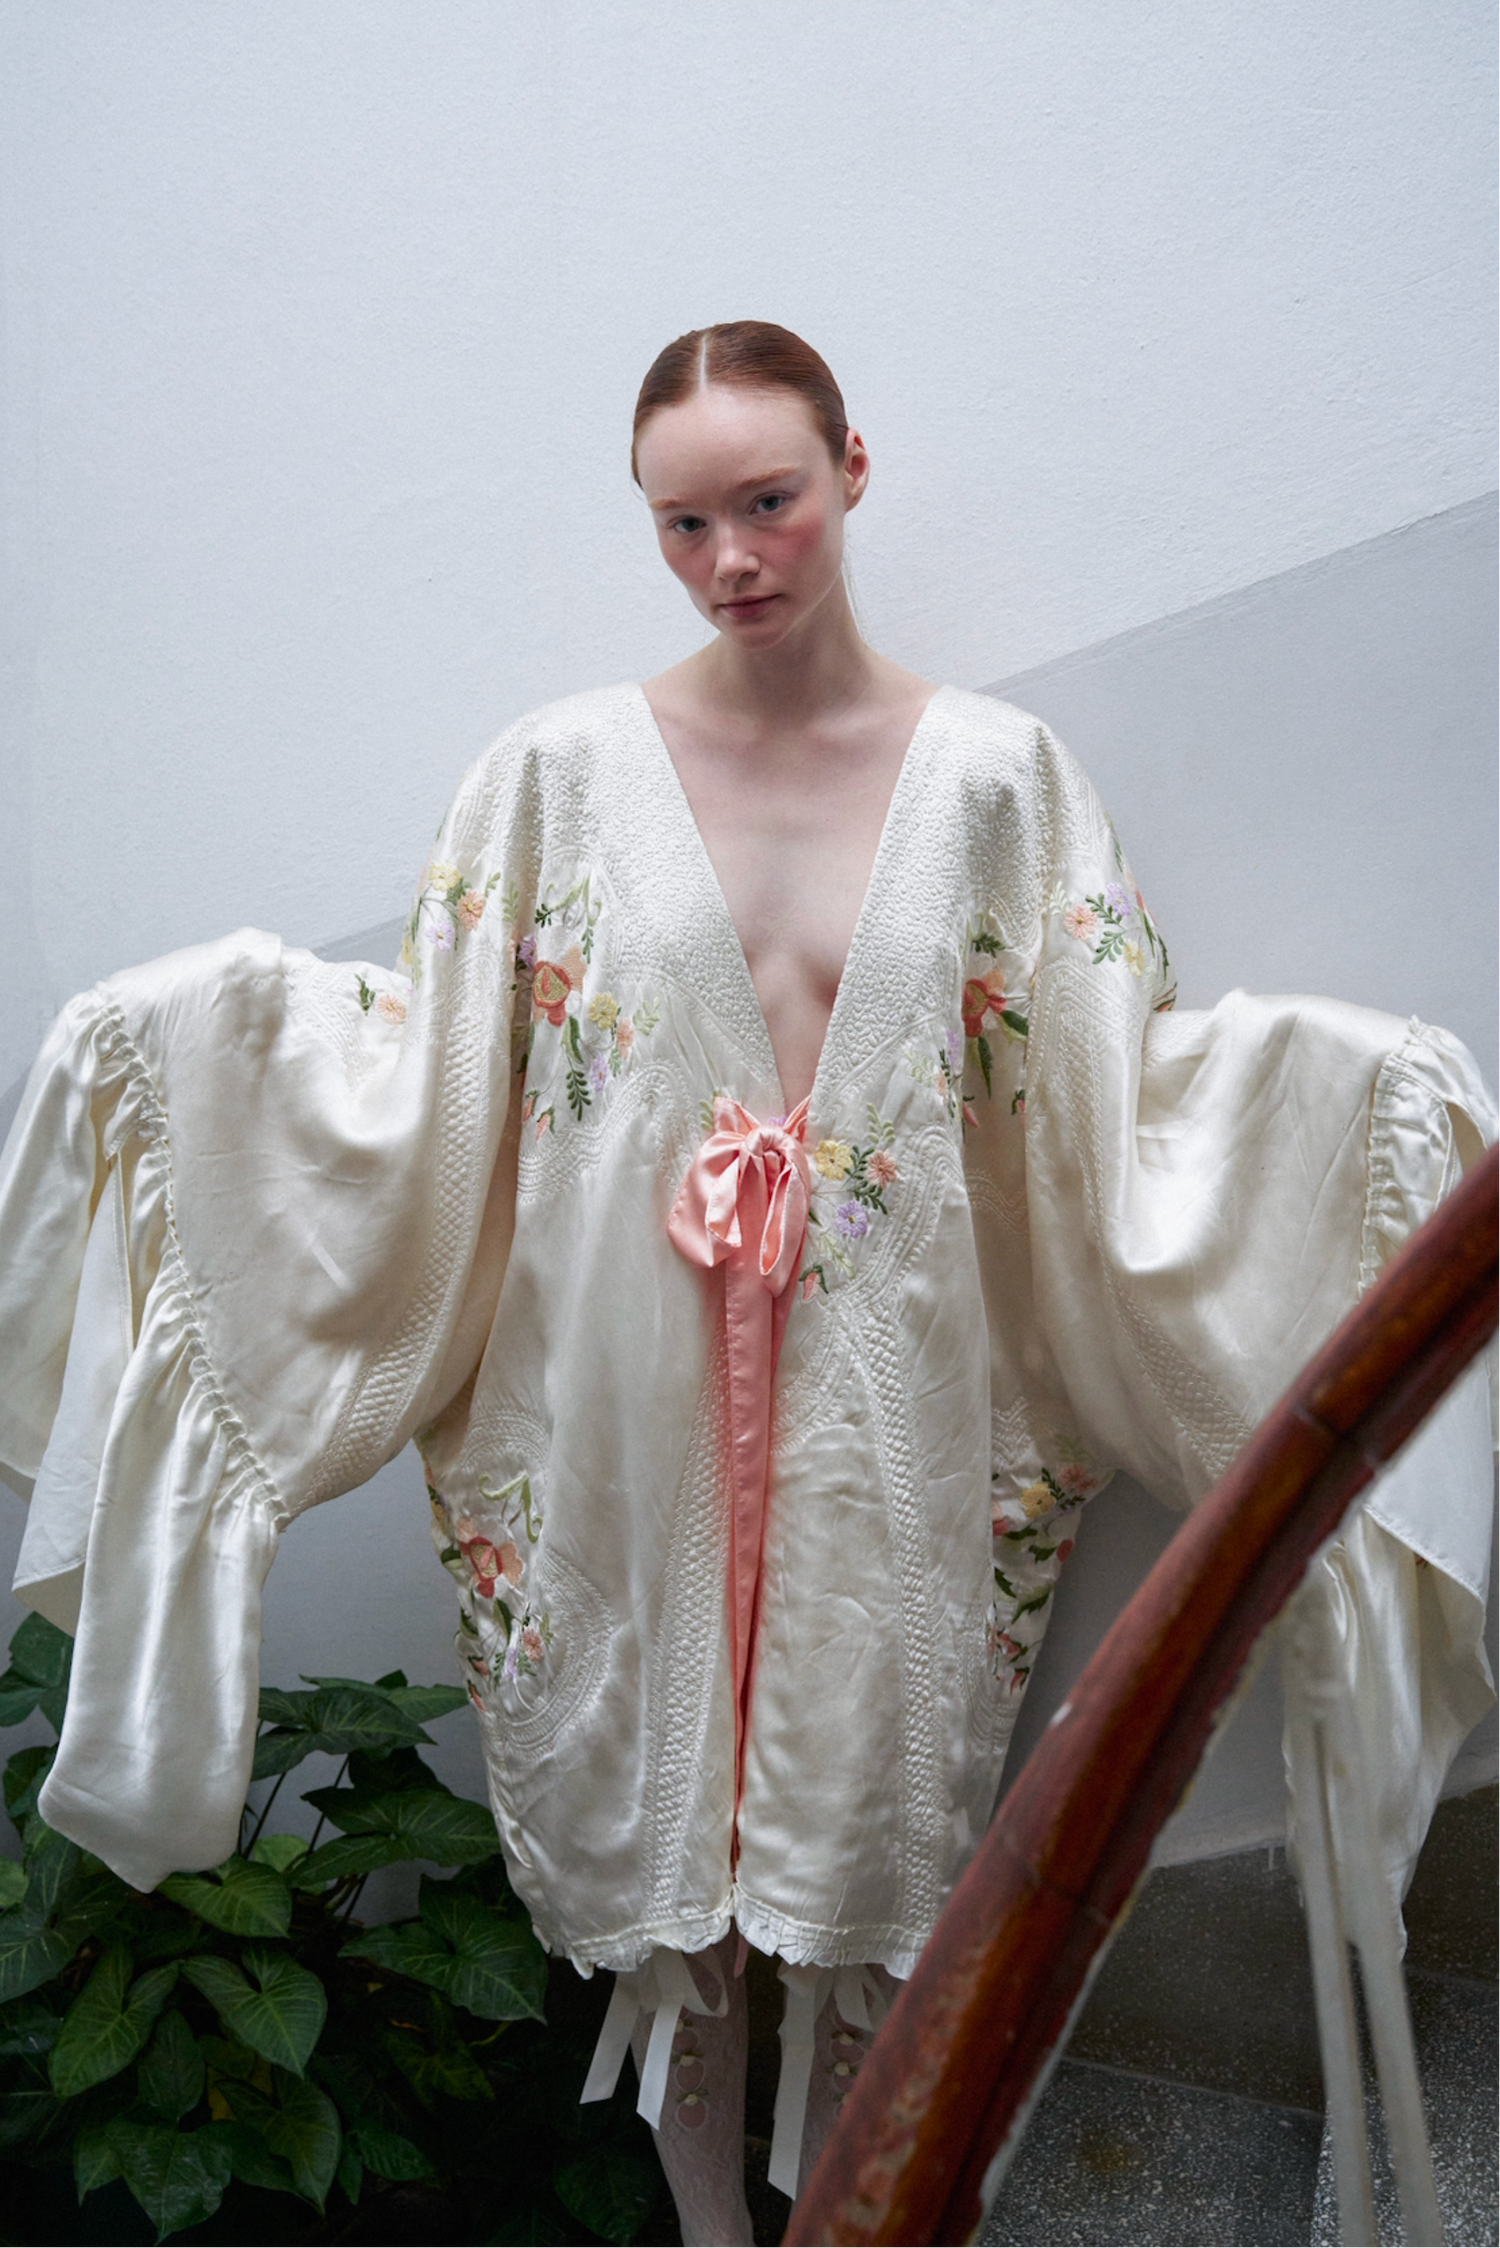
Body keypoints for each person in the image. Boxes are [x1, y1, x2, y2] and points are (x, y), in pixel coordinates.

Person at [0, 323, 1494, 2248]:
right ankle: (713, 2229)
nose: (731, 559)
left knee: (866, 1848)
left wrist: (1350, 1107)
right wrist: (194, 1044)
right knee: (666, 1893)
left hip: (886, 1415)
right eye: (682, 522)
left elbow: (1109, 1095)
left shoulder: (997, 784)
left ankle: (874, 2211)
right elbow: (440, 1076)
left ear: (855, 470)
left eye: (767, 502)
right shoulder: (549, 778)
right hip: (623, 1409)